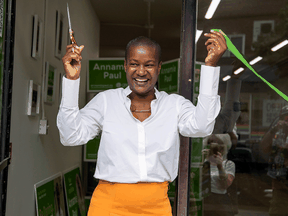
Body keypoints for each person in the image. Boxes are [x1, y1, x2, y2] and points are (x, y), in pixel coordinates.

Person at [57, 30, 227, 215]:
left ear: (159, 67)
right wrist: (72, 81)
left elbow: (202, 126)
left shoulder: (174, 105)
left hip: (156, 207)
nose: (141, 71)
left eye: (149, 65)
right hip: (108, 205)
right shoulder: (106, 101)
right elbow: (70, 136)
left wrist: (210, 66)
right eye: (134, 64)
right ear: (125, 66)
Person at [260, 105, 288, 216]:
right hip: (280, 189)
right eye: (285, 118)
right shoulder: (277, 133)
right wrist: (274, 129)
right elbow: (263, 147)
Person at [202, 134, 236, 216]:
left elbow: (225, 185)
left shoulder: (228, 164)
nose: (212, 146)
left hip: (220, 201)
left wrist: (220, 166)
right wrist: (202, 159)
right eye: (209, 143)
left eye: (216, 144)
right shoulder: (203, 162)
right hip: (204, 199)